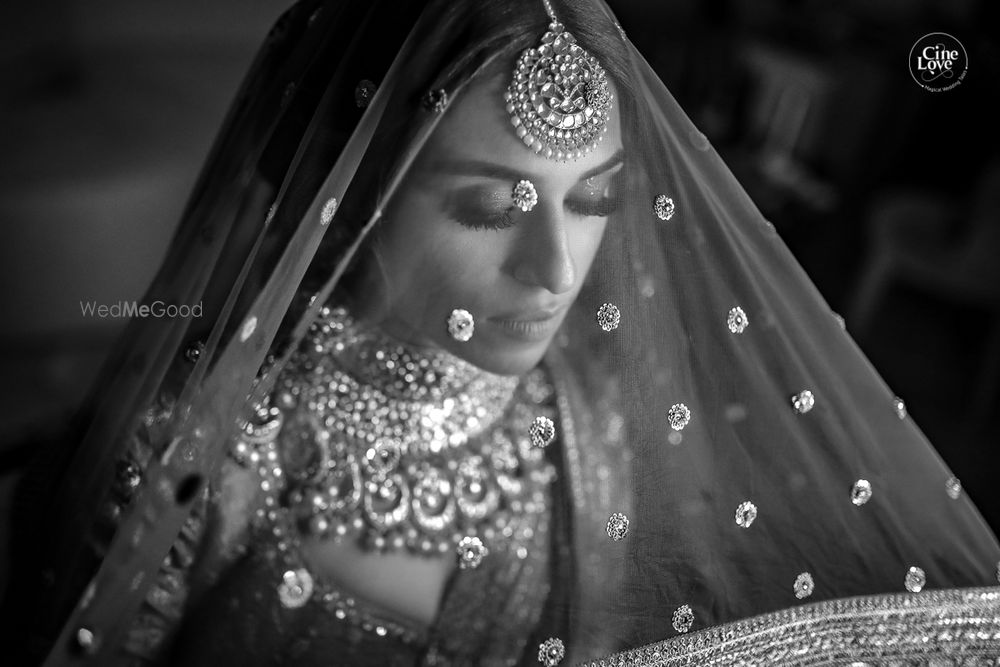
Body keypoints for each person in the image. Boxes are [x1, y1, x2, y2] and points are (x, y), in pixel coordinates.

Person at [5, 0, 999, 664]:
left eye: (594, 199)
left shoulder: (588, 412)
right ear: (351, 202)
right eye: (488, 207)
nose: (556, 270)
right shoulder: (211, 455)